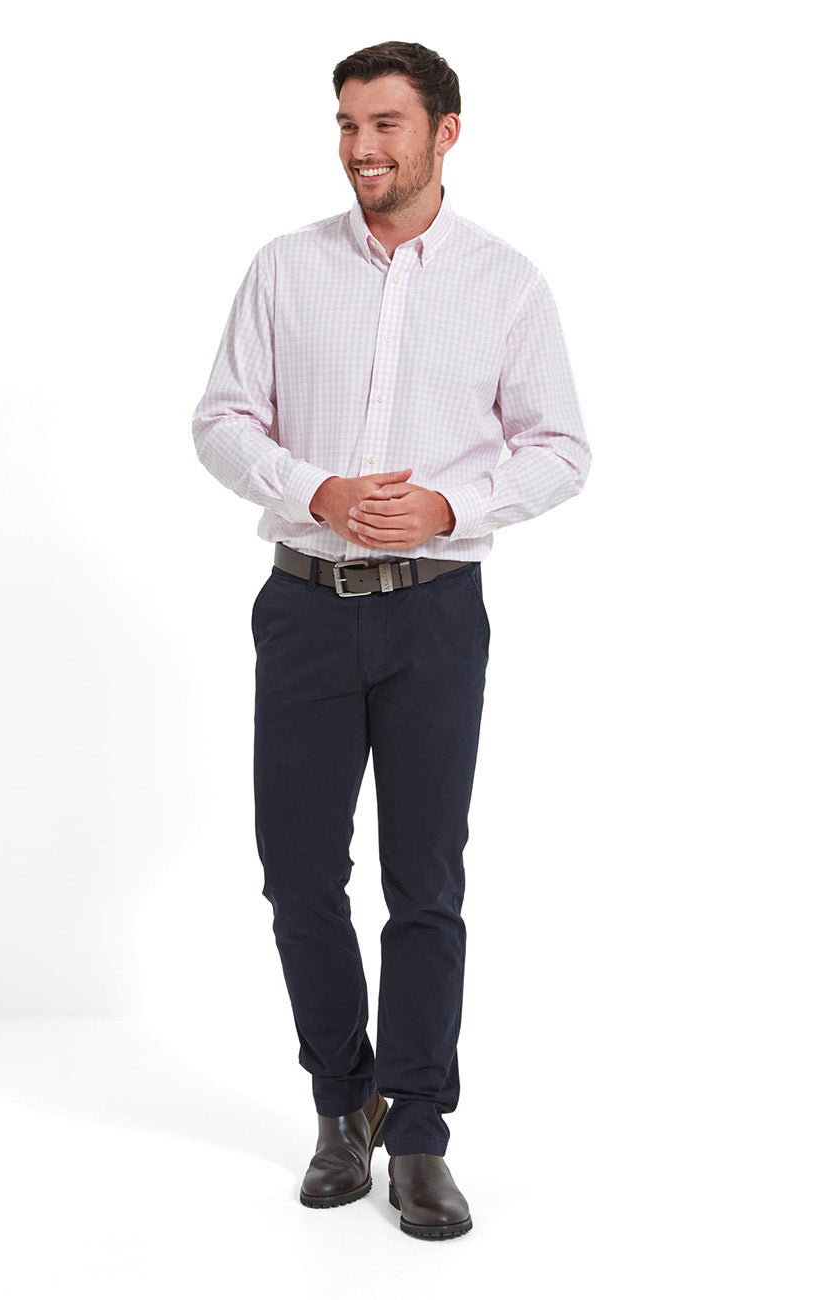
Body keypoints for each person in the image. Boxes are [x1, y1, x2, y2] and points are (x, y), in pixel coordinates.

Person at [192, 40, 591, 1240]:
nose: (362, 148)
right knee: (299, 876)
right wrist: (311, 488)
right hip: (305, 606)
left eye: (385, 125)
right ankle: (341, 1100)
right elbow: (221, 419)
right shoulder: (284, 267)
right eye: (347, 125)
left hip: (433, 610)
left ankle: (417, 1129)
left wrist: (448, 508)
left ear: (444, 133)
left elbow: (560, 447)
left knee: (426, 880)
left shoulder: (505, 284)